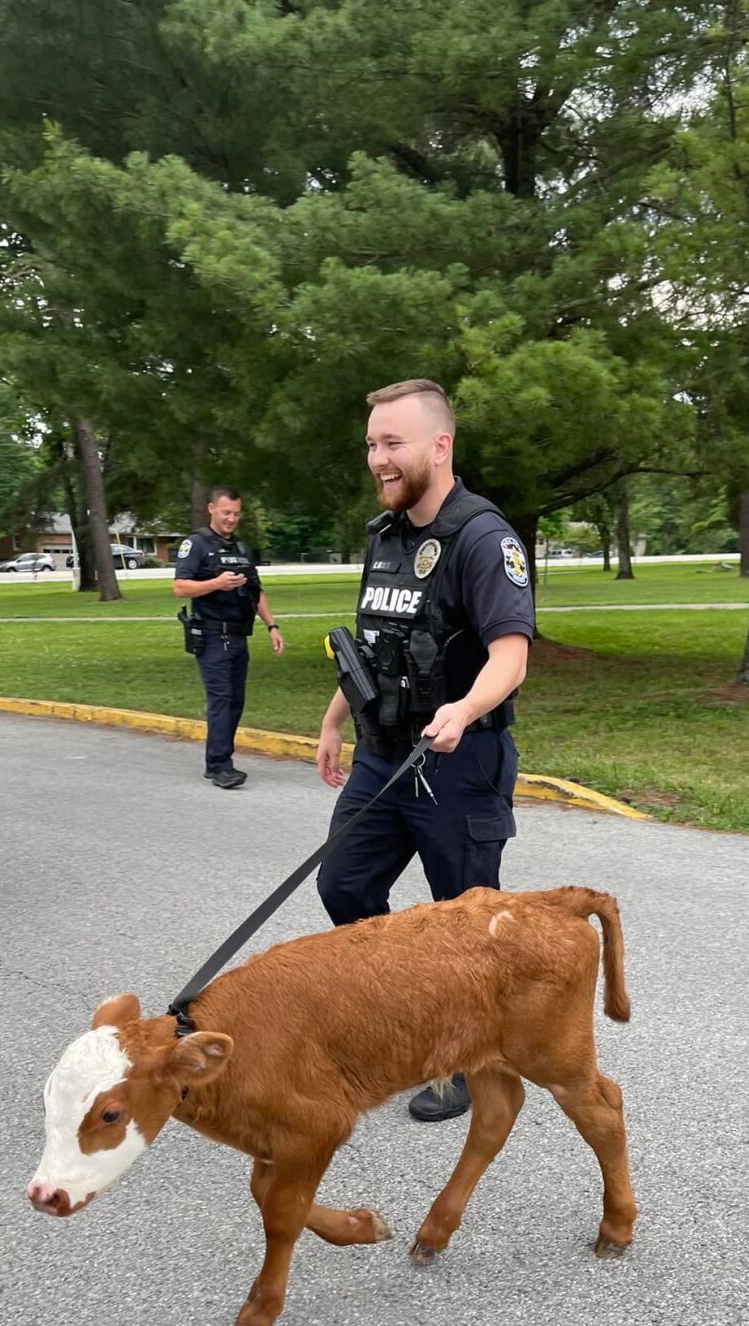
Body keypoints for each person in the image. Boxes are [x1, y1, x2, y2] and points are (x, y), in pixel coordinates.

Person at [316, 379, 535, 1121]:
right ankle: (397, 1017)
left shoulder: (482, 537)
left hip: (458, 763)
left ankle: (466, 1058)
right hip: (384, 757)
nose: (378, 459)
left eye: (392, 444)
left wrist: (466, 707)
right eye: (372, 445)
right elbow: (372, 650)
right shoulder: (384, 538)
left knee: (463, 919)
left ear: (439, 447)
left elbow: (510, 655)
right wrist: (332, 720)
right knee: (343, 885)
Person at [173, 487, 284, 788]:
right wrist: (216, 583)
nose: (231, 519)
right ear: (211, 508)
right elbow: (181, 587)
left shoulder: (242, 549)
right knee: (221, 699)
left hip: (238, 636)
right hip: (210, 635)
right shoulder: (196, 545)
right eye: (226, 513)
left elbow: (256, 592)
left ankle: (216, 760)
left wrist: (272, 626)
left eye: (236, 513)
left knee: (235, 701)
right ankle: (222, 766)